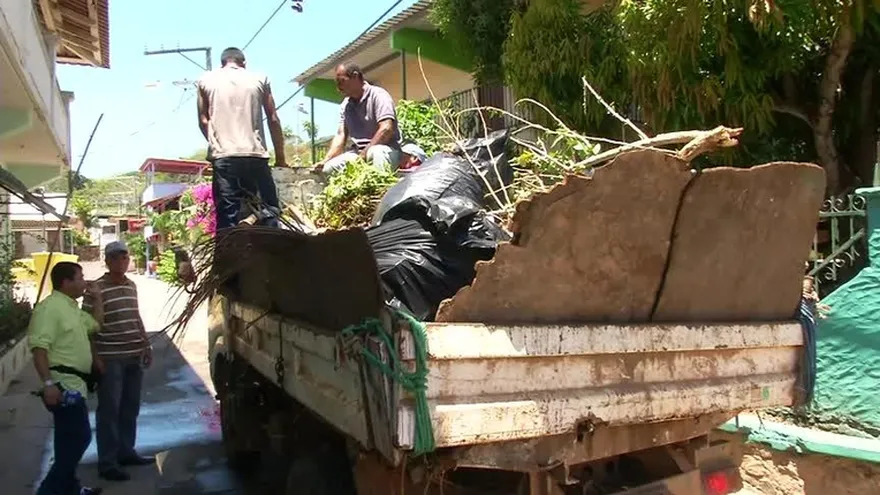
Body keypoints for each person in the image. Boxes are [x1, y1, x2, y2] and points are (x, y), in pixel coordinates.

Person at [29, 261, 103, 495]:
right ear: (66, 282)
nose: (84, 282)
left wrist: (98, 299)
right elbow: (39, 349)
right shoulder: (50, 309)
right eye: (80, 278)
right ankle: (49, 491)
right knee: (78, 437)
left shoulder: (71, 308)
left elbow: (97, 325)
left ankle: (70, 488)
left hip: (76, 384)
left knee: (65, 442)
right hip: (63, 385)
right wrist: (48, 384)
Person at [82, 241, 154, 481]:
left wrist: (145, 344)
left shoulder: (131, 285)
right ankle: (108, 462)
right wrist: (95, 358)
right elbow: (88, 328)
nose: (122, 262)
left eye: (125, 258)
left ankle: (126, 451)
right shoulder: (95, 290)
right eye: (117, 258)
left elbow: (136, 316)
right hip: (110, 358)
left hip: (133, 353)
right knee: (109, 411)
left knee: (130, 407)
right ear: (108, 261)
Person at [197, 46, 286, 230]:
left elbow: (203, 120)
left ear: (222, 64)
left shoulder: (205, 80)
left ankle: (229, 256)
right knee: (269, 212)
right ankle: (276, 253)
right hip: (256, 155)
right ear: (243, 63)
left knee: (227, 219)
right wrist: (280, 158)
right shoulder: (260, 78)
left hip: (224, 158)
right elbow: (273, 119)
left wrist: (215, 143)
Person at [313, 63, 402, 175]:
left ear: (355, 77)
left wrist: (365, 153)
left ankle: (382, 191)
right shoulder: (345, 105)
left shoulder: (379, 95)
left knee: (377, 153)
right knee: (328, 169)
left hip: (386, 149)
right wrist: (326, 160)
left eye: (341, 82)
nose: (338, 88)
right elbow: (341, 135)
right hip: (357, 153)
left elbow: (386, 129)